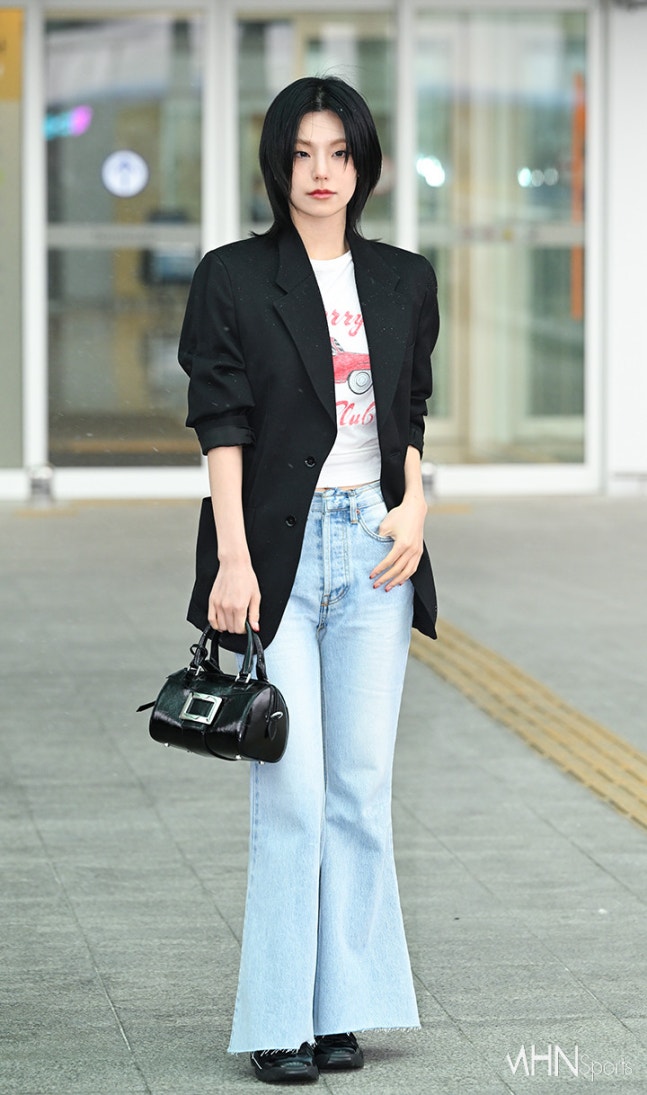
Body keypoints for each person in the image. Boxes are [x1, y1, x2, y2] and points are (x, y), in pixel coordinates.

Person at [178, 75, 439, 1085]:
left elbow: (406, 413)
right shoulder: (234, 277)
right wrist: (233, 558)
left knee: (359, 790)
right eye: (301, 153)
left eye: (338, 152)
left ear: (363, 163)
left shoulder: (404, 278)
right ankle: (279, 1018)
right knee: (290, 794)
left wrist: (414, 504)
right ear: (276, 163)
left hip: (375, 549)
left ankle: (345, 1010)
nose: (320, 172)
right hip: (275, 551)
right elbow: (222, 424)